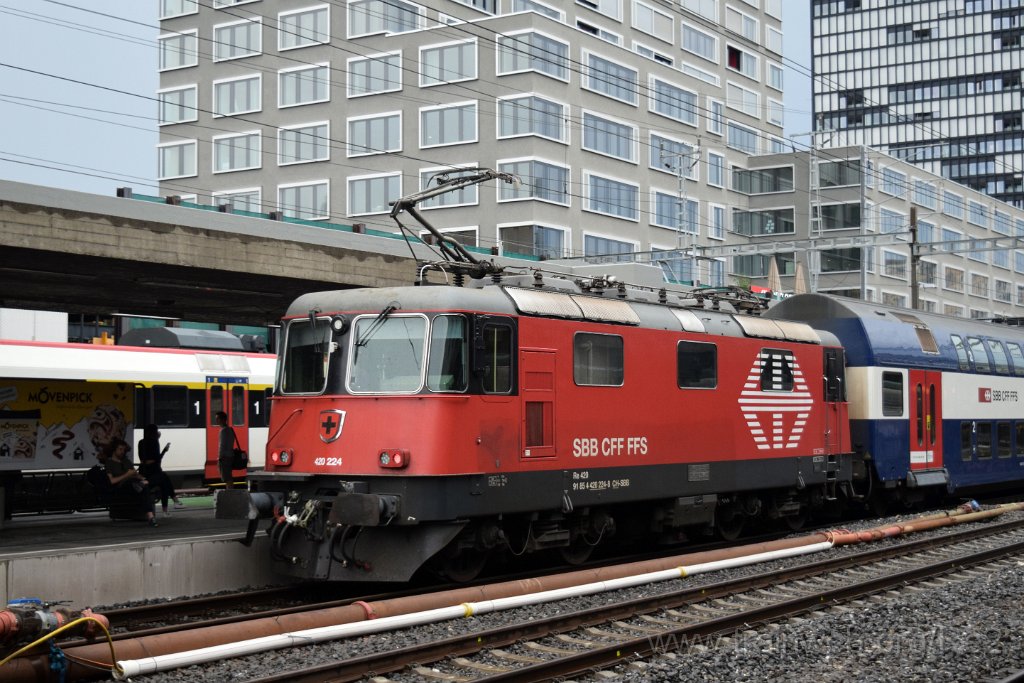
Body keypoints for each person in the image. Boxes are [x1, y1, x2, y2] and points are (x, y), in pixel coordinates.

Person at [102, 438, 157, 527]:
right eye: (120, 449)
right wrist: (127, 475)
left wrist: (139, 477)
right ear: (114, 450)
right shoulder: (109, 463)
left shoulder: (126, 461)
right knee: (142, 487)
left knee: (152, 480)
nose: (122, 452)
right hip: (122, 486)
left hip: (134, 482)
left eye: (123, 450)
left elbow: (135, 474)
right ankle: (150, 516)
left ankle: (150, 517)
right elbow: (112, 481)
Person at [138, 424, 185, 516]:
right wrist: (164, 451)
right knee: (164, 479)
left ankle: (172, 504)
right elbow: (157, 459)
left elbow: (144, 459)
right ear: (154, 432)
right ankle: (171, 505)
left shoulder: (141, 442)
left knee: (164, 480)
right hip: (153, 474)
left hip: (144, 472)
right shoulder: (155, 442)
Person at [215, 411, 236, 490]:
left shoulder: (223, 431)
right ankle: (230, 491)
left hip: (225, 457)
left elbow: (222, 445)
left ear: (223, 419)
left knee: (227, 478)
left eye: (218, 419)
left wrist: (219, 457)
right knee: (229, 477)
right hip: (230, 455)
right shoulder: (230, 429)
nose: (216, 421)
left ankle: (229, 493)